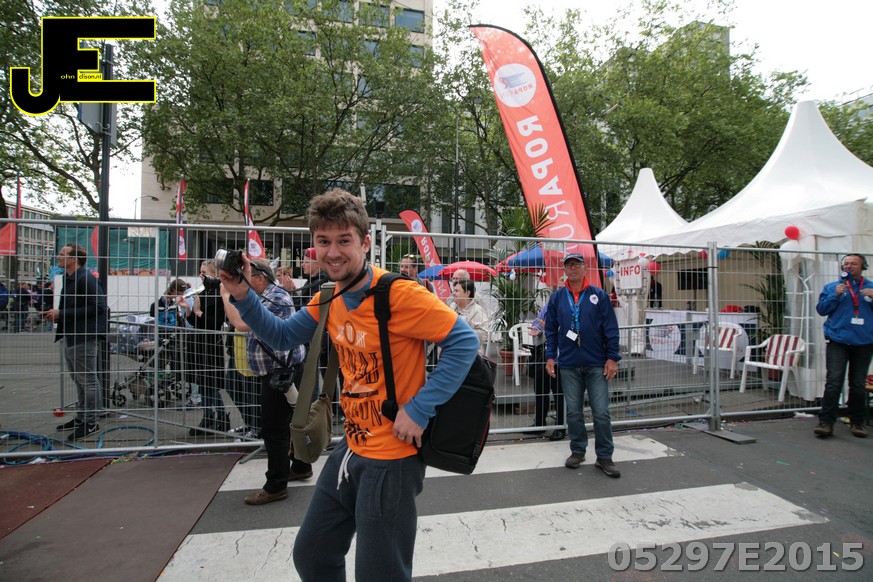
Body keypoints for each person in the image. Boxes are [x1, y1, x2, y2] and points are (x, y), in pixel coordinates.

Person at [220, 188, 478, 581]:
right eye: (324, 241)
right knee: (313, 555)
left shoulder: (399, 294)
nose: (333, 252)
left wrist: (420, 408)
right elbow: (283, 336)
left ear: (365, 243)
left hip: (392, 456)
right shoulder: (330, 295)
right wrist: (242, 294)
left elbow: (464, 342)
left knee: (380, 574)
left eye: (344, 240)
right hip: (351, 447)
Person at [223, 258, 312, 503]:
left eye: (247, 276)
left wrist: (226, 293)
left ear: (260, 278)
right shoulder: (267, 295)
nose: (243, 281)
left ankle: (276, 486)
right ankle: (301, 466)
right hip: (279, 370)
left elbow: (240, 323)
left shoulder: (276, 298)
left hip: (280, 372)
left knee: (275, 430)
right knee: (292, 423)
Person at [544, 253, 622, 478]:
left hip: (597, 363)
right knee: (573, 412)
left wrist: (612, 358)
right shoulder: (557, 298)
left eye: (577, 264)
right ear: (565, 270)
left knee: (601, 412)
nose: (573, 268)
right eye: (569, 265)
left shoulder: (599, 295)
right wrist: (550, 356)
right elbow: (551, 329)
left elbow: (611, 328)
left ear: (585, 268)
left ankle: (604, 456)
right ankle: (578, 450)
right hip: (569, 364)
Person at [42, 243, 108, 441]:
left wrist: (61, 314)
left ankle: (91, 422)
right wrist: (59, 315)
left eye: (63, 254)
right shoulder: (70, 278)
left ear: (74, 259)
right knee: (79, 379)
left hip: (83, 336)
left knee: (87, 380)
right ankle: (82, 418)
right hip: (71, 336)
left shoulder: (86, 279)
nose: (58, 257)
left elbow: (99, 307)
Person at [813, 253, 873, 438]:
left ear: (863, 266)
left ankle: (857, 422)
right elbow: (821, 309)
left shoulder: (871, 288)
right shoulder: (832, 287)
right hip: (838, 341)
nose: (848, 266)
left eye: (853, 263)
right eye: (846, 263)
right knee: (834, 381)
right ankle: (826, 422)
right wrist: (835, 296)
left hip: (864, 341)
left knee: (858, 384)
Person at [186, 260, 229, 435]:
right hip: (199, 342)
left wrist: (198, 311)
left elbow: (215, 322)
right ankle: (209, 416)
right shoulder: (203, 293)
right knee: (203, 382)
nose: (201, 276)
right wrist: (188, 311)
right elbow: (196, 322)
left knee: (210, 383)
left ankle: (221, 417)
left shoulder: (219, 293)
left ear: (215, 274)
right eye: (200, 272)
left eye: (204, 272)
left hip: (211, 344)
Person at [528, 304, 565, 440]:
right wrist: (537, 329)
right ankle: (539, 423)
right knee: (540, 391)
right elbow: (538, 321)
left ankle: (561, 426)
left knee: (559, 393)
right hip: (544, 356)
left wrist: (549, 328)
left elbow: (571, 331)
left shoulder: (572, 306)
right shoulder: (550, 305)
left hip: (561, 358)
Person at [452, 279, 488, 353]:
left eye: (457, 291)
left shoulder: (477, 310)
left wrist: (461, 334)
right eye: (454, 291)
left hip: (470, 352)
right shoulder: (452, 307)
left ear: (467, 293)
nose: (453, 293)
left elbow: (483, 334)